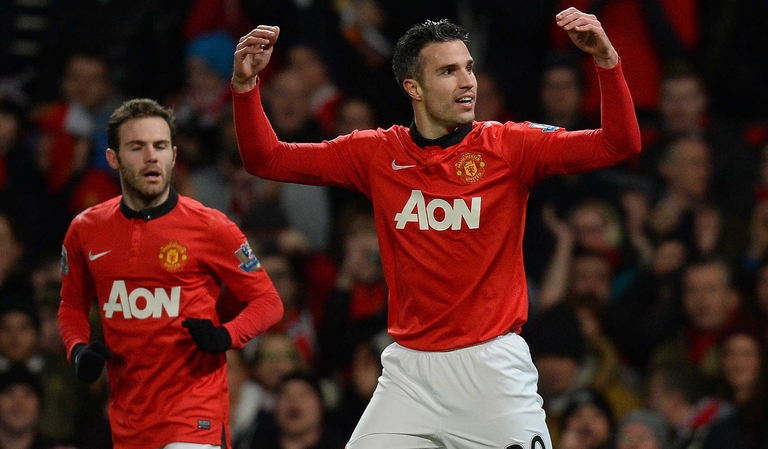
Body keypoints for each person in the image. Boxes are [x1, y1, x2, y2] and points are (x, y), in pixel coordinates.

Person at [231, 6, 641, 448]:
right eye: (448, 71)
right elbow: (265, 158)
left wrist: (607, 62)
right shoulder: (375, 153)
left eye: (468, 68)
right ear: (414, 87)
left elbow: (620, 143)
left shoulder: (511, 146)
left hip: (492, 373)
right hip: (409, 375)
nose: (467, 81)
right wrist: (244, 87)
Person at [57, 98, 285, 449]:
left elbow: (268, 301)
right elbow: (71, 304)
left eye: (160, 146)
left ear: (174, 156)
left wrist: (227, 336)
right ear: (113, 158)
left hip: (195, 416)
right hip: (128, 419)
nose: (151, 156)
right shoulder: (85, 230)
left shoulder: (212, 227)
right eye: (137, 147)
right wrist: (77, 351)